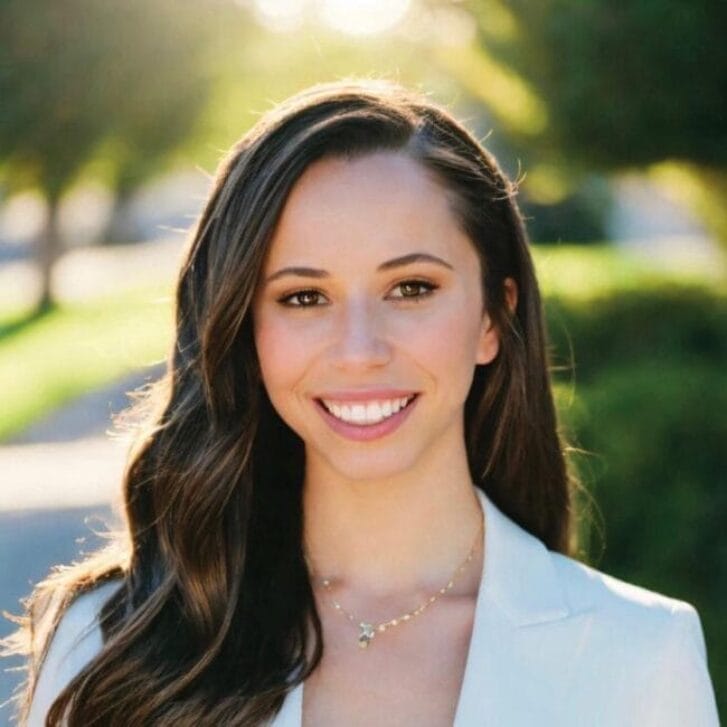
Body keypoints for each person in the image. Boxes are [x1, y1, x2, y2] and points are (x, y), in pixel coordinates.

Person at [5, 80, 719, 726]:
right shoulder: (104, 646)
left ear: (491, 318)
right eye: (303, 297)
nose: (358, 349)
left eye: (411, 288)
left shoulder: (637, 653)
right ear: (244, 330)